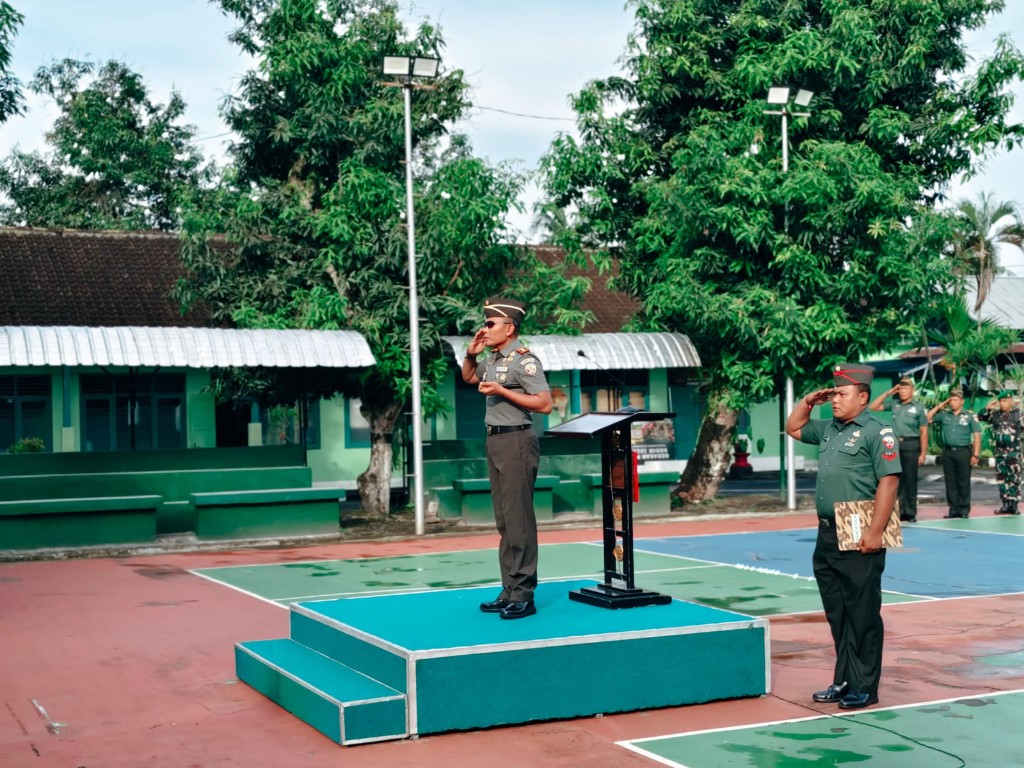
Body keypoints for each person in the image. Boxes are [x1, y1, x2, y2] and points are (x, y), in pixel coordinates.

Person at [785, 363, 900, 711]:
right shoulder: (829, 428)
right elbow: (793, 427)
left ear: (862, 397)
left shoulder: (877, 431)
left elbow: (889, 481)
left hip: (859, 531)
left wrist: (875, 531)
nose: (834, 399)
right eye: (833, 393)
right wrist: (808, 401)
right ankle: (845, 679)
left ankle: (865, 686)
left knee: (862, 613)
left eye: (842, 394)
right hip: (827, 533)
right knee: (838, 613)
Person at [461, 297, 552, 620]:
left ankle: (524, 594)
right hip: (495, 440)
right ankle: (509, 589)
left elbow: (544, 403)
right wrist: (471, 354)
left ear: (509, 328)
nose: (484, 329)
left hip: (516, 441)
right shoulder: (493, 359)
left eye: (490, 324)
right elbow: (468, 378)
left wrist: (502, 391)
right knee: (504, 521)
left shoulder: (524, 361)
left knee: (518, 520)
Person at [869, 377, 928, 522]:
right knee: (896, 480)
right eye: (900, 389)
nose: (902, 391)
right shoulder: (895, 404)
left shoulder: (919, 408)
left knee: (910, 479)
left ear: (912, 390)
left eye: (905, 388)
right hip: (895, 445)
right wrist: (889, 392)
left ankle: (911, 512)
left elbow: (924, 431)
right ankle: (899, 512)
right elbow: (873, 406)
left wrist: (923, 453)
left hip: (911, 444)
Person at [927, 390, 982, 519]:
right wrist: (941, 405)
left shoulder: (970, 416)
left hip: (963, 452)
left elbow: (977, 435)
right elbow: (928, 418)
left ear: (962, 401)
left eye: (955, 400)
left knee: (963, 481)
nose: (952, 402)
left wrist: (975, 455)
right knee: (950, 482)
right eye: (951, 400)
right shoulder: (944, 415)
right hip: (948, 452)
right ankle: (953, 510)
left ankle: (963, 510)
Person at [978, 390, 1023, 515]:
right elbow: (980, 417)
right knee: (1002, 479)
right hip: (1000, 452)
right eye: (1001, 401)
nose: (1003, 403)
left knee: (1014, 478)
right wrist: (987, 408)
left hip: (1014, 452)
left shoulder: (1018, 415)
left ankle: (1013, 505)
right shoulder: (995, 415)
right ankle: (1005, 504)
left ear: (1011, 401)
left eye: (1005, 401)